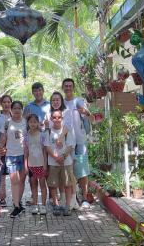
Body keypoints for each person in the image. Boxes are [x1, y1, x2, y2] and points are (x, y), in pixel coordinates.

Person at [62, 78, 91, 209]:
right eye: (66, 86)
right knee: (69, 171)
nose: (68, 88)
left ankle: (85, 198)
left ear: (73, 88)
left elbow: (88, 113)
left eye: (70, 86)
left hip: (80, 141)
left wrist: (84, 111)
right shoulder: (60, 103)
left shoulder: (78, 101)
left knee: (82, 171)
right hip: (66, 143)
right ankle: (74, 198)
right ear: (63, 88)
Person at [23, 82, 50, 205]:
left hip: (46, 140)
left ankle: (48, 198)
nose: (38, 93)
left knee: (46, 172)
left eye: (40, 90)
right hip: (32, 141)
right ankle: (34, 200)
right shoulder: (28, 107)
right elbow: (24, 122)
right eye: (35, 91)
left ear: (43, 91)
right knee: (33, 179)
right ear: (32, 92)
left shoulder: (49, 105)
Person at [0, 101, 27, 218]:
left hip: (24, 155)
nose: (16, 110)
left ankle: (18, 202)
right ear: (11, 110)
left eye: (19, 108)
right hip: (11, 156)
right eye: (14, 108)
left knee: (22, 181)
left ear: (22, 110)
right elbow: (3, 139)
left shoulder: (26, 122)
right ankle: (16, 206)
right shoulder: (7, 123)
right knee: (14, 181)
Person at [45, 109, 76, 216]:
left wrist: (62, 156)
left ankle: (67, 206)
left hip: (66, 162)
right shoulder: (48, 131)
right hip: (53, 163)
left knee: (68, 184)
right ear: (51, 119)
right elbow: (47, 146)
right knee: (53, 185)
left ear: (62, 118)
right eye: (54, 117)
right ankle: (57, 205)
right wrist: (55, 157)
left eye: (59, 117)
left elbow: (71, 146)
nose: (57, 119)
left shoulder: (66, 131)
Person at [25, 114, 48, 215]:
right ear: (28, 123)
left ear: (38, 123)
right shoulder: (26, 136)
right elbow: (26, 152)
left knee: (43, 185)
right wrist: (26, 166)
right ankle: (35, 205)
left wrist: (45, 164)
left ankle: (43, 206)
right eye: (31, 122)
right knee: (33, 185)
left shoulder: (42, 135)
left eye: (35, 122)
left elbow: (44, 151)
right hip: (31, 165)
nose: (33, 124)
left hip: (41, 164)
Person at [0, 95, 12, 207]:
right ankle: (2, 198)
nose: (7, 104)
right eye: (4, 102)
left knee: (14, 174)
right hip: (0, 148)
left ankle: (17, 198)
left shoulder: (15, 116)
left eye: (8, 102)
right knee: (2, 173)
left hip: (13, 148)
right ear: (1, 104)